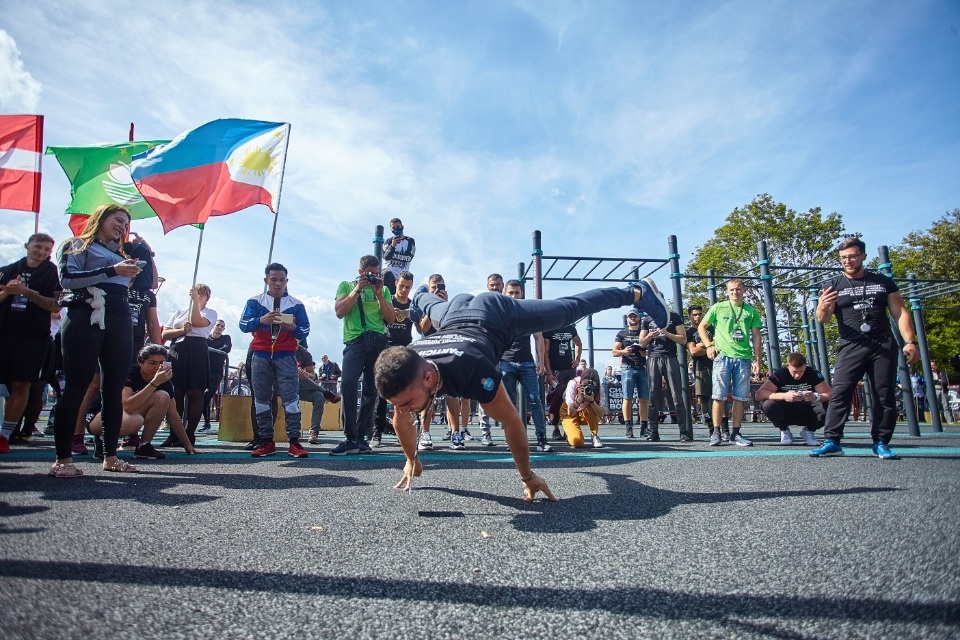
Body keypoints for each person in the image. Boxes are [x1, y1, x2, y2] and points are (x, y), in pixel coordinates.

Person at [373, 278, 668, 502]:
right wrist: (411, 459)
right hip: (452, 311)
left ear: (428, 378)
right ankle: (420, 297)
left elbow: (512, 421)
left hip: (498, 313)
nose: (403, 409)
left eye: (407, 403)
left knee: (570, 309)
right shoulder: (408, 363)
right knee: (426, 302)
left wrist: (527, 477)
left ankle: (637, 292)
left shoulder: (474, 370)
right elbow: (400, 418)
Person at [53, 204, 143, 476]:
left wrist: (134, 265)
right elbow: (67, 279)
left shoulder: (120, 255)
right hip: (86, 314)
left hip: (119, 316)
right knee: (76, 387)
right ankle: (63, 460)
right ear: (101, 218)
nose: (122, 227)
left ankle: (111, 457)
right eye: (118, 220)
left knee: (113, 390)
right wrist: (112, 271)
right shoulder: (76, 245)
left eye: (125, 224)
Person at [812, 237, 920, 459]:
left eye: (852, 256)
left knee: (884, 395)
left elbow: (900, 312)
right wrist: (822, 306)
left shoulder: (883, 282)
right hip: (851, 344)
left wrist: (910, 341)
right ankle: (832, 440)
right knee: (840, 393)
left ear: (862, 256)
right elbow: (823, 318)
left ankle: (881, 442)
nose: (848, 261)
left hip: (882, 344)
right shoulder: (833, 285)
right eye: (843, 258)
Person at [239, 263, 311, 458]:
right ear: (266, 280)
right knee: (261, 400)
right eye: (273, 279)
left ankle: (294, 442)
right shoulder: (255, 301)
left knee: (291, 400)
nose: (278, 283)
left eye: (281, 280)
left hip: (286, 355)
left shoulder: (296, 304)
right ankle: (266, 441)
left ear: (287, 281)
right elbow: (243, 325)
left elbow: (305, 329)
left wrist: (293, 328)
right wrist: (261, 320)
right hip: (260, 355)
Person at [0, 233, 62, 453]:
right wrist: (7, 291)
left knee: (22, 385)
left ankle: (5, 435)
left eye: (47, 249)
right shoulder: (7, 270)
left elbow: (55, 306)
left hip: (33, 338)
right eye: (38, 246)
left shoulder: (52, 273)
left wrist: (27, 292)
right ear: (27, 245)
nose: (42, 252)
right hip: (4, 334)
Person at [330, 255, 396, 455]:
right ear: (360, 272)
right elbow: (339, 312)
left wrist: (378, 294)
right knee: (348, 383)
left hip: (377, 340)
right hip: (355, 340)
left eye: (376, 273)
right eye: (369, 274)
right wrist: (358, 288)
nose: (373, 277)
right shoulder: (346, 285)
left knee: (371, 389)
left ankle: (361, 437)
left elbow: (391, 318)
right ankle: (350, 436)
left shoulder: (384, 289)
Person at [88, 344, 197, 458]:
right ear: (140, 362)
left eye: (161, 363)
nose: (157, 367)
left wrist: (188, 445)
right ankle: (102, 440)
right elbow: (126, 406)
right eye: (152, 363)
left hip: (127, 416)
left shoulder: (163, 380)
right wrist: (154, 383)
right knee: (134, 421)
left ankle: (144, 446)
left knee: (163, 396)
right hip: (99, 416)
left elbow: (173, 415)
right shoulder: (129, 373)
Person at [698, 278, 764, 447]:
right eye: (732, 289)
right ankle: (716, 432)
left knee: (740, 397)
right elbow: (702, 326)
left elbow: (757, 337)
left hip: (743, 358)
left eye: (738, 289)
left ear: (744, 290)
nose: (735, 292)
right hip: (723, 356)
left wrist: (758, 360)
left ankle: (735, 433)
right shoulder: (718, 307)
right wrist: (708, 345)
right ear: (727, 291)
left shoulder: (751, 311)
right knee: (718, 396)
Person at [161, 284, 217, 444]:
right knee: (176, 392)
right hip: (178, 349)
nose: (199, 296)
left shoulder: (210, 313)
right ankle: (174, 432)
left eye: (202, 294)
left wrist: (194, 304)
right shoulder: (180, 312)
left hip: (197, 349)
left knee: (195, 392)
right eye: (196, 293)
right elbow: (165, 333)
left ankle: (190, 433)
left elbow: (196, 321)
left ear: (207, 298)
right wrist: (181, 330)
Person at [500, 279, 550, 452]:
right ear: (505, 293)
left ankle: (542, 439)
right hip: (506, 362)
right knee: (509, 404)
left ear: (522, 293)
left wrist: (540, 361)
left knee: (535, 401)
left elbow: (538, 338)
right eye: (511, 292)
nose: (514, 296)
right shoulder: (501, 313)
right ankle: (513, 440)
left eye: (517, 292)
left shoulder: (529, 313)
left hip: (527, 363)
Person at [374, 270, 421, 447]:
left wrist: (416, 316)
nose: (404, 290)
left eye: (408, 287)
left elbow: (420, 328)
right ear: (395, 284)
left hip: (406, 349)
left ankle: (409, 432)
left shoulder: (413, 304)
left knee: (407, 391)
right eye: (401, 286)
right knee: (381, 391)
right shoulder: (388, 300)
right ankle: (376, 432)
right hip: (387, 347)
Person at [754, 352, 831, 445]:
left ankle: (809, 431)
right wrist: (784, 396)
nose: (797, 375)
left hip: (808, 408)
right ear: (788, 366)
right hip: (786, 410)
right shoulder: (780, 374)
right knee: (768, 405)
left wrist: (816, 396)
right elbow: (759, 394)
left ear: (805, 366)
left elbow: (829, 394)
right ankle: (784, 431)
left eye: (801, 371)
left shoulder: (813, 373)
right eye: (794, 372)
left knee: (833, 406)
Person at [642, 310, 692, 442]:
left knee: (676, 396)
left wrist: (667, 333)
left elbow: (683, 339)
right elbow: (641, 342)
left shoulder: (674, 316)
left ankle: (683, 432)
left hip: (670, 357)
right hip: (653, 357)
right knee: (653, 396)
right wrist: (650, 335)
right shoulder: (647, 319)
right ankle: (653, 432)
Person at [612, 310, 648, 438]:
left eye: (635, 316)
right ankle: (628, 426)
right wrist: (624, 351)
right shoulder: (622, 333)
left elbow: (651, 348)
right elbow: (614, 352)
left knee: (644, 399)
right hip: (628, 367)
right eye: (631, 316)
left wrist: (645, 352)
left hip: (642, 366)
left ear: (638, 318)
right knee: (627, 398)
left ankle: (644, 427)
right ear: (627, 319)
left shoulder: (643, 332)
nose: (633, 318)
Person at [544, 323, 582, 440]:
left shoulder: (570, 328)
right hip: (555, 369)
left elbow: (578, 343)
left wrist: (577, 359)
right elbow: (545, 352)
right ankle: (555, 428)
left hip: (569, 368)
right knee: (556, 399)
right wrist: (549, 372)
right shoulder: (549, 328)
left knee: (571, 398)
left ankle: (568, 427)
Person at [297, 345, 341, 444]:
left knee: (319, 396)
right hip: (286, 386)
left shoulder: (304, 353)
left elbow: (313, 376)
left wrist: (306, 374)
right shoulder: (282, 348)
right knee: (295, 373)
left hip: (302, 388)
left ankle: (314, 431)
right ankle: (326, 392)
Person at [686, 305, 717, 435]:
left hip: (716, 365)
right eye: (694, 314)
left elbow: (719, 345)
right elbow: (693, 351)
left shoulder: (711, 328)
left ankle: (724, 428)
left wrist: (702, 345)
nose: (698, 317)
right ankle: (711, 428)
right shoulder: (689, 332)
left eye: (699, 314)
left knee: (719, 397)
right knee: (704, 400)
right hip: (700, 367)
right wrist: (710, 346)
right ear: (689, 316)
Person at [561, 367, 605, 448]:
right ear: (580, 382)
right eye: (584, 385)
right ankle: (569, 432)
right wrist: (579, 399)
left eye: (592, 386)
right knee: (577, 442)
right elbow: (570, 412)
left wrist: (592, 401)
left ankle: (594, 435)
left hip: (586, 411)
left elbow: (601, 413)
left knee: (592, 406)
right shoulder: (573, 383)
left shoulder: (600, 387)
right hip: (570, 411)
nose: (587, 388)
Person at [201, 319, 232, 432]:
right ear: (213, 326)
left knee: (207, 395)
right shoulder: (206, 338)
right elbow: (200, 350)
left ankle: (207, 422)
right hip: (203, 371)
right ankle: (200, 421)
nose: (219, 327)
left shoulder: (226, 338)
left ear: (224, 329)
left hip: (216, 373)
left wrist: (209, 351)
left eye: (222, 326)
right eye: (218, 325)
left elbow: (226, 349)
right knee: (198, 396)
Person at [381, 218, 416, 295]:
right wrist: (392, 246)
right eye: (393, 228)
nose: (396, 229)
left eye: (398, 226)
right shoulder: (388, 241)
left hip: (402, 276)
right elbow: (385, 256)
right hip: (388, 273)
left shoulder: (410, 241)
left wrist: (393, 255)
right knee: (387, 274)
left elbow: (409, 257)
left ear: (402, 226)